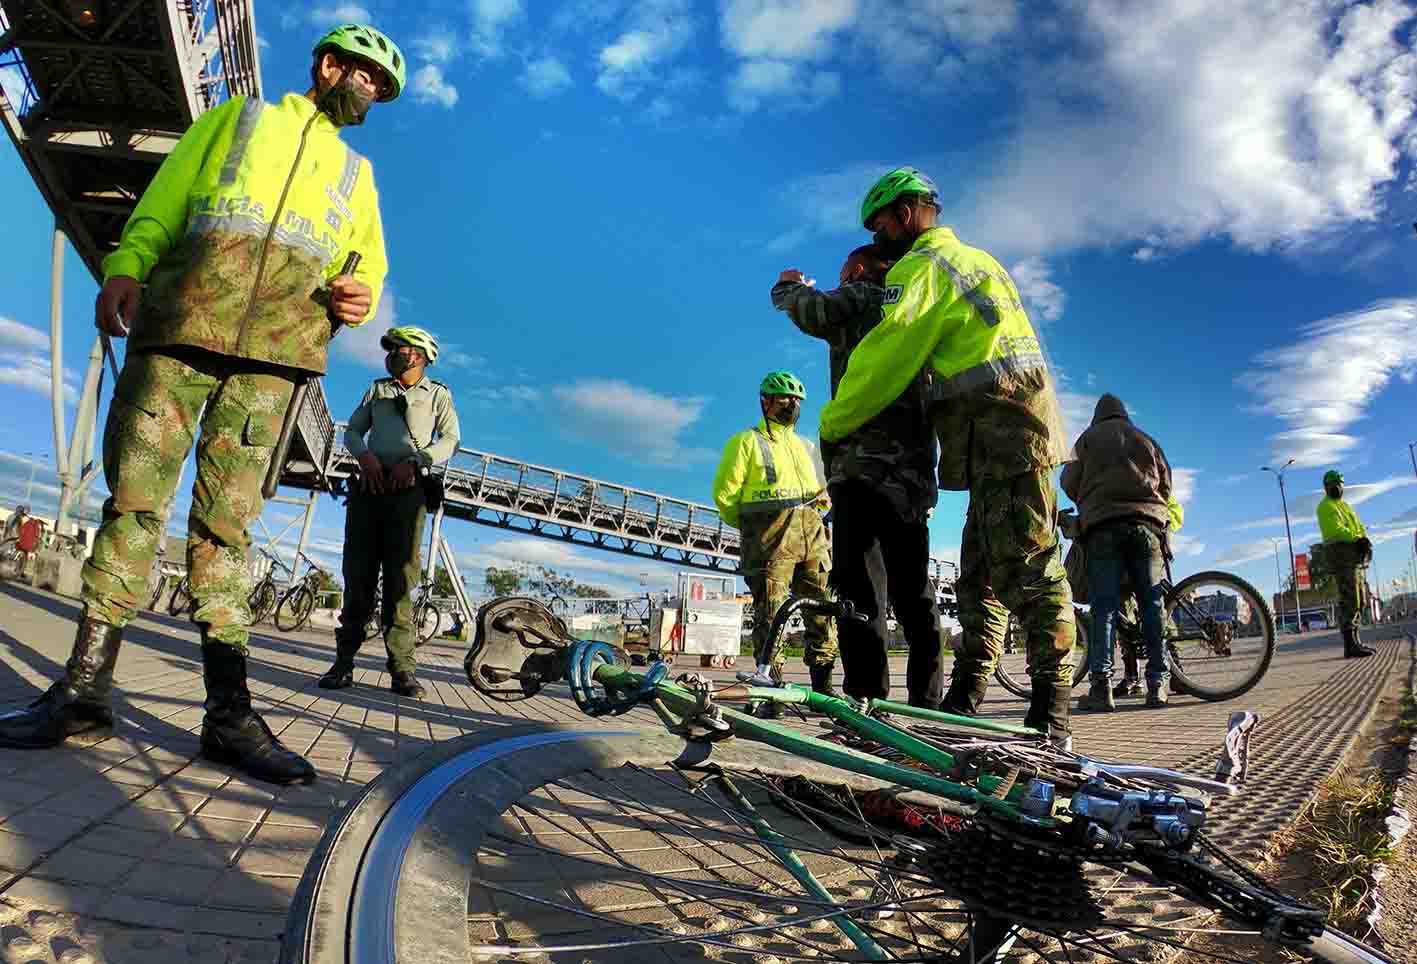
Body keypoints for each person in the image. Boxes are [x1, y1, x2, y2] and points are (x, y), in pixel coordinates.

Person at [0, 24, 403, 786]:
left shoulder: (358, 177)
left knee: (227, 528)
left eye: (381, 90)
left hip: (274, 363)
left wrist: (360, 295)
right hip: (180, 329)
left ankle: (227, 716)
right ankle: (82, 693)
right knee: (133, 505)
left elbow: (368, 269)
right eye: (365, 78)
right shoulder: (235, 121)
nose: (371, 94)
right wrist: (125, 264)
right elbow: (167, 199)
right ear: (328, 66)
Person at [818, 167, 1074, 742]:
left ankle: (1051, 718)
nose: (878, 238)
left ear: (905, 214)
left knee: (1031, 570)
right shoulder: (978, 260)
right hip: (1003, 435)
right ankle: (963, 701)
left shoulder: (922, 267)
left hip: (1007, 432)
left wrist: (833, 423)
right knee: (980, 575)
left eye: (881, 225)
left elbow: (885, 358)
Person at [771, 244, 944, 708]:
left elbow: (810, 309)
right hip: (911, 476)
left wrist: (788, 284)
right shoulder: (917, 308)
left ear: (860, 270)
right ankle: (928, 704)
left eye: (844, 274)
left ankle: (866, 701)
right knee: (915, 591)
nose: (841, 281)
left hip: (860, 470)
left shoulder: (864, 295)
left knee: (859, 592)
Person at [319, 326, 460, 698]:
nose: (392, 354)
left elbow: (450, 439)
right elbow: (353, 431)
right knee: (357, 577)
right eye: (391, 349)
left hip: (407, 496)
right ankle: (343, 663)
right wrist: (364, 456)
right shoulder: (377, 389)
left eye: (399, 348)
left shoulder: (438, 395)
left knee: (400, 583)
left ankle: (402, 670)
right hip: (369, 491)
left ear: (419, 355)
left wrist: (417, 461)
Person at [713, 371, 838, 713]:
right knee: (772, 615)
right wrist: (757, 530)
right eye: (784, 398)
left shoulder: (805, 447)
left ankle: (824, 691)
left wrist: (819, 509)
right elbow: (725, 496)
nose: (792, 404)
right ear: (765, 401)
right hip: (770, 541)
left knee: (822, 612)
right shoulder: (746, 442)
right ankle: (771, 692)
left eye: (797, 400)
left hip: (812, 537)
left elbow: (820, 491)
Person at [1060, 394, 1174, 710]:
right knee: (1152, 604)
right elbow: (1166, 484)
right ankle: (1157, 683)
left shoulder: (1086, 441)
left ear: (1097, 416)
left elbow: (1068, 481)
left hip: (1103, 528)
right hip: (1146, 527)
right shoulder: (1146, 439)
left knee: (1104, 608)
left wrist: (1090, 498)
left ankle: (1102, 687)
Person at [1316, 470, 1375, 659]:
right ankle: (1349, 645)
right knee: (1350, 598)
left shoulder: (1345, 506)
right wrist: (1357, 539)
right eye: (1332, 484)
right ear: (1325, 488)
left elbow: (1358, 526)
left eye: (1339, 484)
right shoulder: (1325, 507)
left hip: (1353, 556)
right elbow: (1335, 530)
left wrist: (1364, 539)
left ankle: (1356, 641)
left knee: (1360, 599)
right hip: (1340, 555)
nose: (1336, 487)